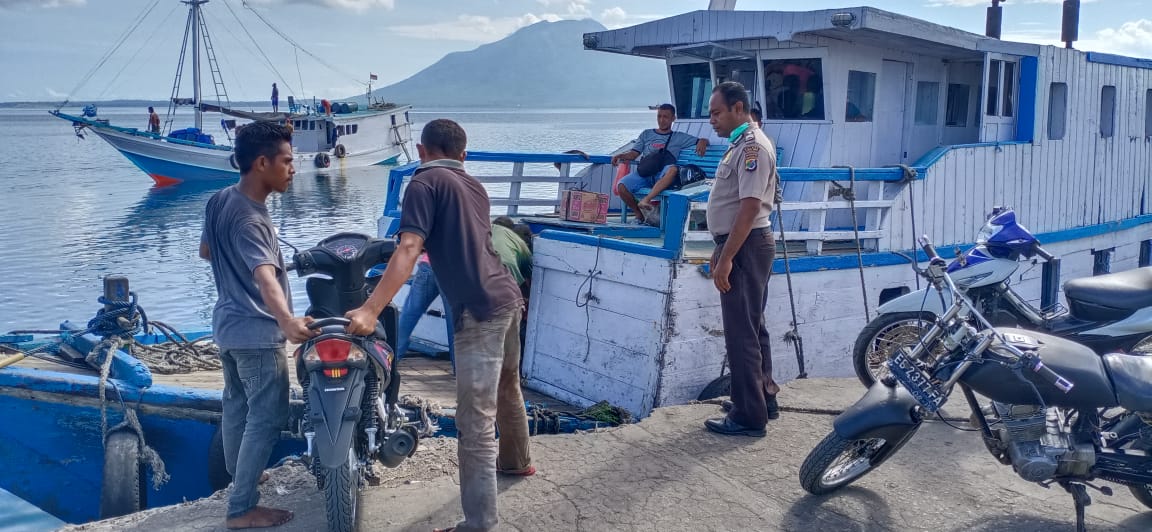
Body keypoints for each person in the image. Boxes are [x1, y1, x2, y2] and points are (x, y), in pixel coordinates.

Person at [344, 119, 532, 532]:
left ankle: (479, 524)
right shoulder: (475, 187)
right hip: (508, 298)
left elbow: (411, 246)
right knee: (509, 385)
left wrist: (371, 310)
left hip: (477, 310)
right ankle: (517, 463)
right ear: (463, 154)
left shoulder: (422, 184)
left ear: (421, 149)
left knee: (475, 420)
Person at [198, 121, 315, 529]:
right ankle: (242, 507)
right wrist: (287, 321)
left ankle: (240, 475)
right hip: (257, 332)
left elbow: (206, 251)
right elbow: (265, 276)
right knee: (267, 415)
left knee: (236, 406)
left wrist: (236, 276)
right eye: (287, 161)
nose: (293, 168)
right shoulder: (251, 219)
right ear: (262, 163)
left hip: (228, 326)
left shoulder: (220, 199)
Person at [703, 81, 781, 438]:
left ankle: (749, 415)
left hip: (746, 245)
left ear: (738, 108)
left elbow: (749, 207)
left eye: (716, 112)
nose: (711, 121)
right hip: (743, 243)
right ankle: (763, 397)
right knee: (753, 324)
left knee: (741, 333)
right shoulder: (742, 144)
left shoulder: (752, 147)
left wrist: (726, 259)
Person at [612, 104, 708, 224]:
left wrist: (703, 141)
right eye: (659, 116)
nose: (662, 120)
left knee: (673, 169)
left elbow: (701, 140)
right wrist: (621, 156)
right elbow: (633, 154)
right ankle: (639, 214)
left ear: (673, 118)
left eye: (666, 117)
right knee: (621, 186)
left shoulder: (679, 137)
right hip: (646, 173)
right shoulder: (646, 134)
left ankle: (646, 200)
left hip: (663, 175)